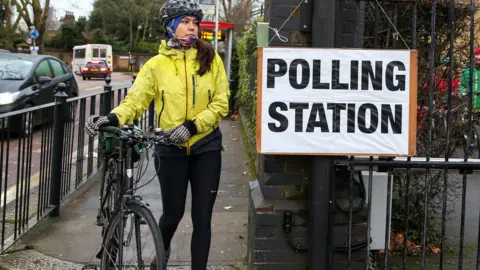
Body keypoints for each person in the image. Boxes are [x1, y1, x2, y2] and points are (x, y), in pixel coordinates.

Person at [84, 0, 231, 268]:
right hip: (170, 149)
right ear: (170, 27)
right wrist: (112, 117)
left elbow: (221, 103)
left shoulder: (211, 58)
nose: (191, 28)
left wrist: (192, 126)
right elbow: (136, 101)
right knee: (172, 214)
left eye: (194, 23)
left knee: (202, 218)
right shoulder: (155, 66)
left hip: (206, 146)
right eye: (185, 22)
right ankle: (159, 257)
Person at [459, 47, 480, 112]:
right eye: (477, 58)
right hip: (469, 105)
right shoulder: (466, 71)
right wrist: (464, 92)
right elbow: (462, 85)